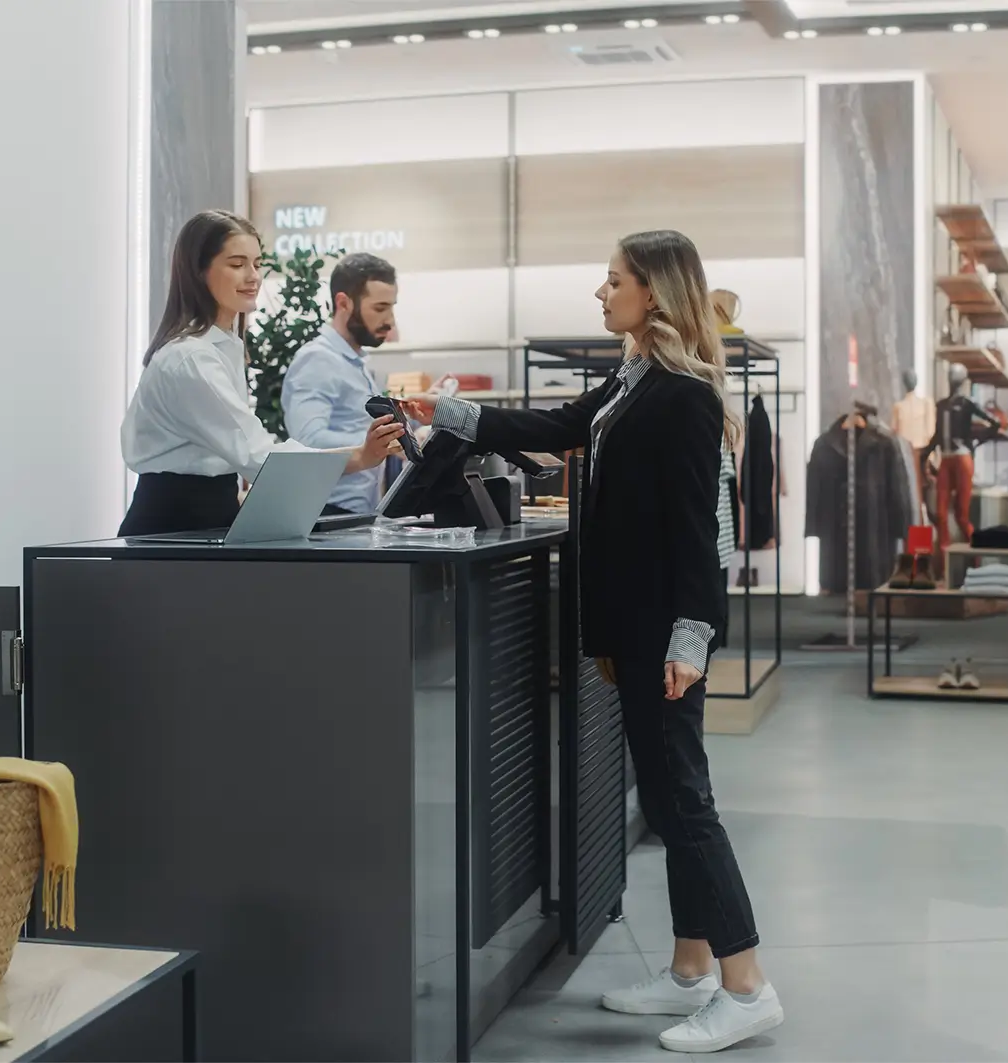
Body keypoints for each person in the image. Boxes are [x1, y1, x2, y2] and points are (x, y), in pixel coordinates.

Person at [403, 230, 782, 1054]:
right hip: (636, 625)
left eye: (613, 282)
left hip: (663, 629)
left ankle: (746, 982)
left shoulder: (681, 394)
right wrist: (451, 413)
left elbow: (694, 530)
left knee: (684, 801)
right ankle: (690, 968)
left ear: (655, 292)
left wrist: (690, 636)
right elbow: (562, 423)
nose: (600, 293)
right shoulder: (633, 379)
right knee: (669, 787)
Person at [118, 211, 404, 537]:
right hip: (173, 527)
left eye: (256, 264)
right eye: (237, 264)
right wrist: (358, 456)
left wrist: (362, 455)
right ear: (199, 271)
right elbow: (260, 457)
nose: (253, 276)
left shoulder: (224, 347)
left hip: (207, 518)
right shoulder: (190, 358)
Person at [280, 253, 399, 515]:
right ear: (343, 302)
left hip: (354, 514)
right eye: (380, 309)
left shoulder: (354, 362)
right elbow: (306, 443)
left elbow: (356, 424)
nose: (390, 321)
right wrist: (381, 442)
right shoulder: (317, 360)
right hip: (326, 513)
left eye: (392, 307)